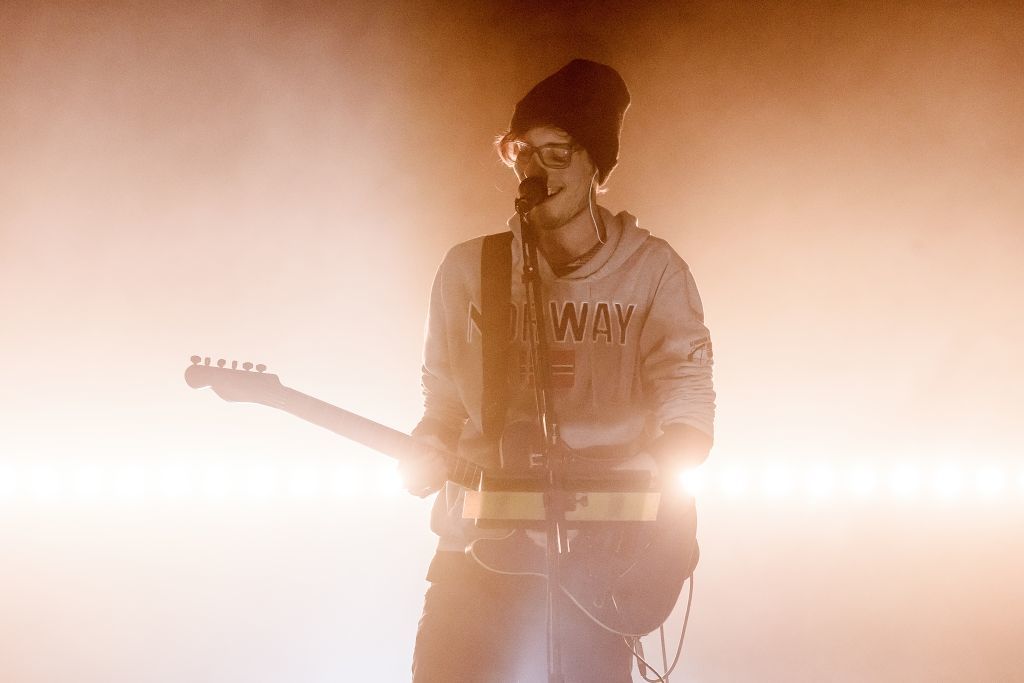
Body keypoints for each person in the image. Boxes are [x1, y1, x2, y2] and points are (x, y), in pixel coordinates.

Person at [400, 59, 716, 682]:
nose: (535, 173)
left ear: (596, 165)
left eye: (557, 154)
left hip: (603, 554)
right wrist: (428, 445)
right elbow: (443, 400)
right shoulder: (469, 271)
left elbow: (687, 395)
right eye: (522, 153)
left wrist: (656, 496)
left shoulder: (653, 271)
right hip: (477, 548)